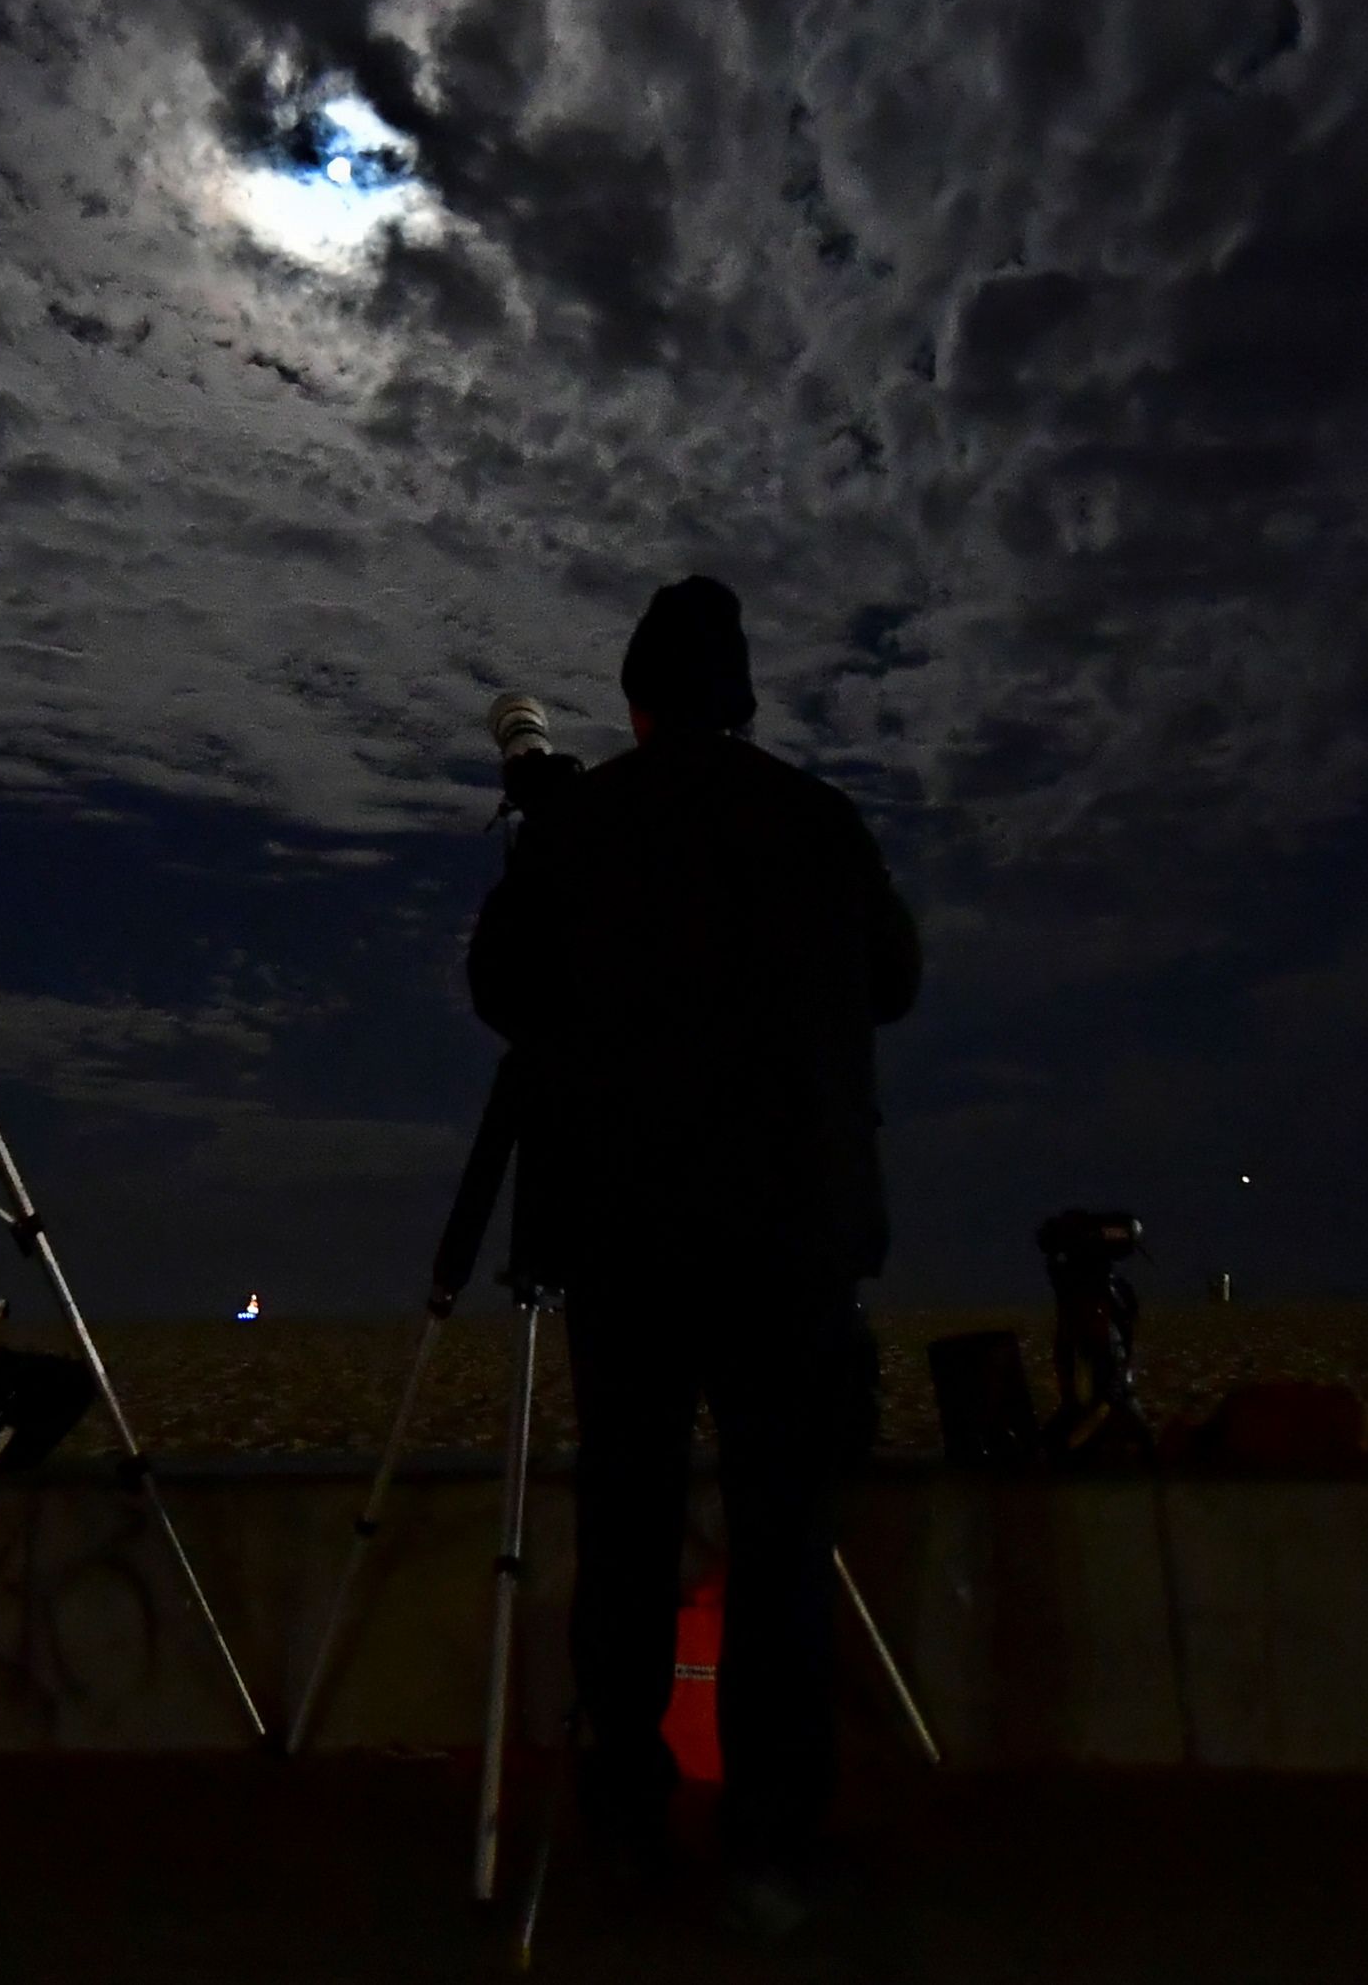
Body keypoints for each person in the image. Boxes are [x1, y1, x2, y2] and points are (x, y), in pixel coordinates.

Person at [465, 575, 919, 1923]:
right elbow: (894, 977)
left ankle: (626, 1811)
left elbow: (502, 991)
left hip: (626, 1240)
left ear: (636, 700)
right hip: (793, 1243)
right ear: (742, 699)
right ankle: (775, 1834)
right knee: (783, 1533)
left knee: (631, 1528)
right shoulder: (818, 824)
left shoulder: (583, 827)